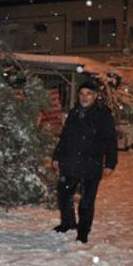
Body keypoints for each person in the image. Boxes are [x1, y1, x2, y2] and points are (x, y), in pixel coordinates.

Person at [52, 80, 118, 243]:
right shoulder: (74, 112)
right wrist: (56, 156)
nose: (84, 97)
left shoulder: (103, 115)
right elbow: (65, 136)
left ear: (95, 96)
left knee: (86, 201)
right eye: (82, 94)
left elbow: (111, 140)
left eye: (88, 94)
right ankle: (68, 223)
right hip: (71, 161)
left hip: (91, 163)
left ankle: (83, 232)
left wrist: (110, 163)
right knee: (63, 195)